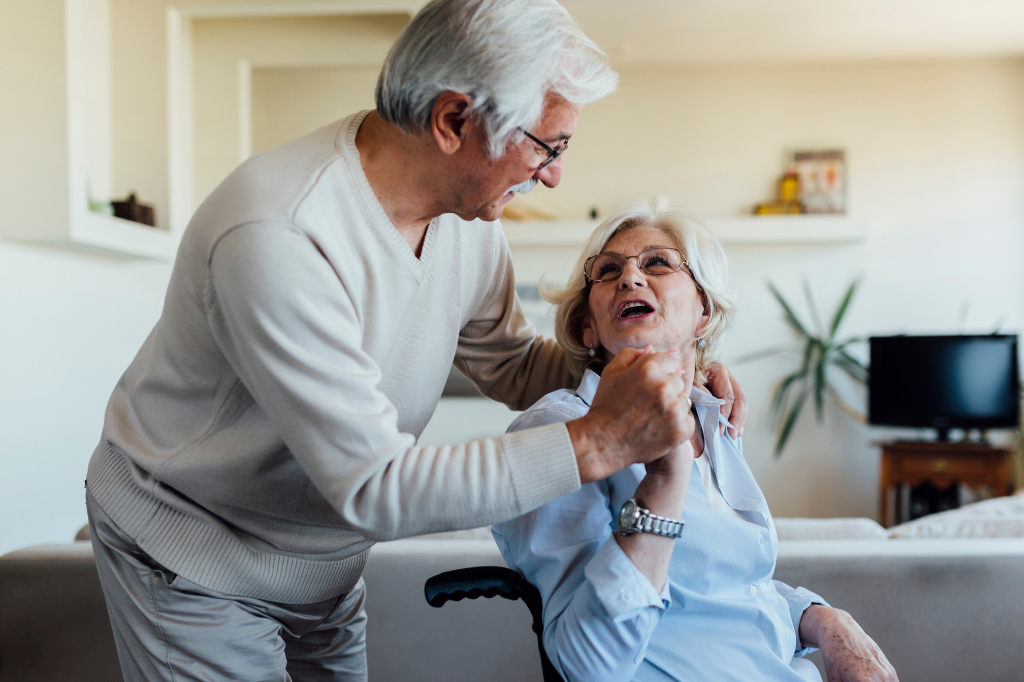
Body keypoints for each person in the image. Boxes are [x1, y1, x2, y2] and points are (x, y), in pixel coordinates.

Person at [84, 2, 749, 680]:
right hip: (196, 550)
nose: (552, 175)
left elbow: (514, 362)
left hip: (324, 559)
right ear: (454, 122)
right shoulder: (278, 235)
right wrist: (599, 439)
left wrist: (671, 376)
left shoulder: (467, 217)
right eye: (548, 146)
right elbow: (375, 485)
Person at [493, 202, 898, 682]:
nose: (629, 278)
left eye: (657, 263)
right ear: (589, 327)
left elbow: (732, 591)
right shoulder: (556, 432)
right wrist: (665, 480)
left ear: (703, 311)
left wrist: (824, 620)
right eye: (608, 270)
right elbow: (587, 663)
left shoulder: (714, 419)